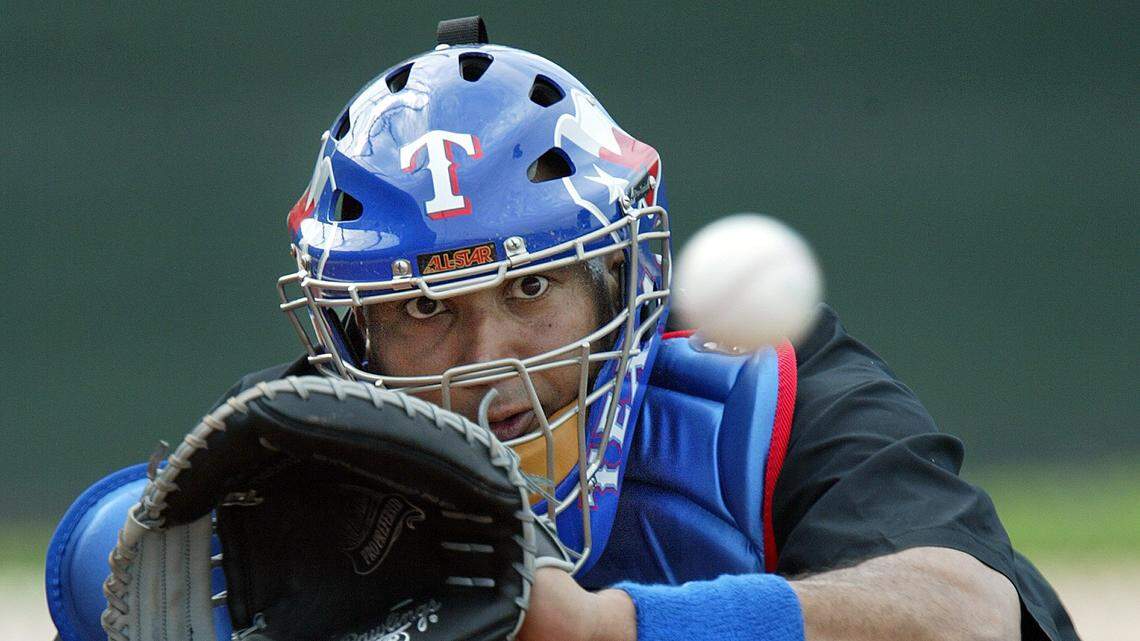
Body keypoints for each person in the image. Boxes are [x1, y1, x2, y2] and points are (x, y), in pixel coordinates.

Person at [48, 16, 1078, 641]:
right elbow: (102, 560)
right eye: (421, 309)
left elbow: (965, 612)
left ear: (616, 274)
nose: (490, 354)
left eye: (531, 290)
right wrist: (138, 549)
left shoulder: (760, 400)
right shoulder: (311, 454)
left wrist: (604, 628)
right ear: (349, 334)